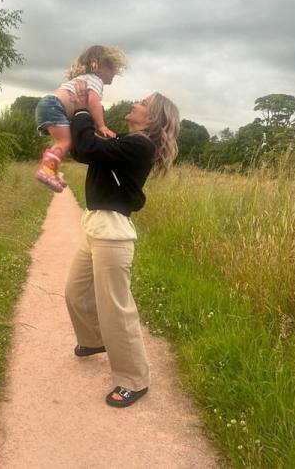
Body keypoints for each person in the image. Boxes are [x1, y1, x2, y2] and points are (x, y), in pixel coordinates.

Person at [63, 91, 180, 408]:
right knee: (75, 292)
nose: (135, 103)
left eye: (143, 102)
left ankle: (134, 380)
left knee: (116, 308)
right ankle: (93, 340)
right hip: (95, 228)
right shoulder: (126, 142)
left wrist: (85, 111)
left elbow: (87, 147)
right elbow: (83, 152)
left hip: (112, 235)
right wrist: (89, 128)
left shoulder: (141, 145)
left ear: (153, 116)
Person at [34, 45, 127, 192]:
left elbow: (85, 111)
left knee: (64, 143)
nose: (115, 72)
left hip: (49, 106)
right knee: (65, 142)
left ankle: (51, 171)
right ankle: (46, 172)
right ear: (100, 67)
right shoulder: (95, 80)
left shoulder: (84, 79)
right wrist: (102, 125)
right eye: (112, 68)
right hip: (54, 106)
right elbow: (93, 102)